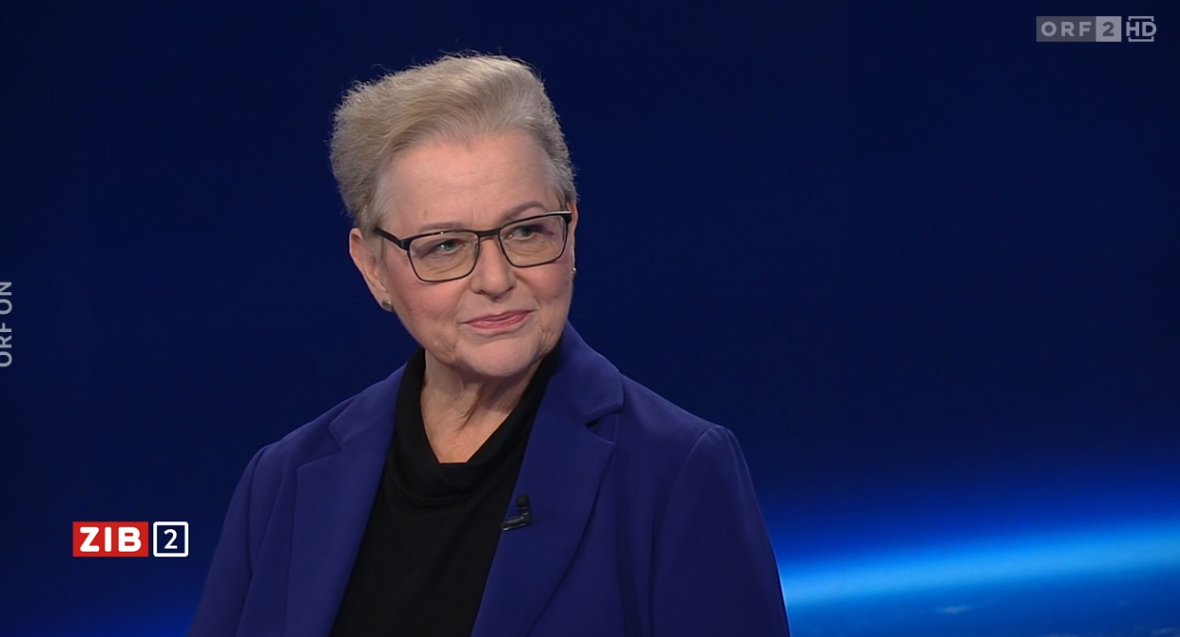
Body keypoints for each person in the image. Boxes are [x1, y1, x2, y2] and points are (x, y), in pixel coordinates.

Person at [188, 53, 790, 637]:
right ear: (373, 268)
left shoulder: (677, 470)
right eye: (445, 246)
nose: (496, 279)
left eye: (526, 231)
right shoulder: (282, 479)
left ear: (571, 233)